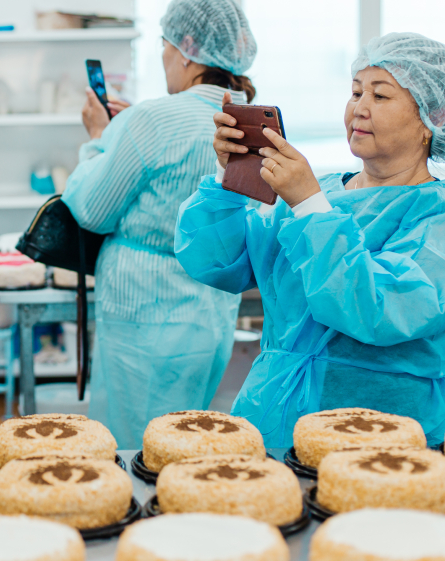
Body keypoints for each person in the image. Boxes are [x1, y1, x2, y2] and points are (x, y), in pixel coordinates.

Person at [175, 32, 445, 447]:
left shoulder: (433, 216)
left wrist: (310, 207)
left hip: (377, 435)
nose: (359, 109)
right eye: (355, 92)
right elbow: (218, 263)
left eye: (381, 96)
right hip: (274, 422)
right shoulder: (318, 195)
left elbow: (377, 309)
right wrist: (228, 179)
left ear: (433, 118)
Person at [61, 0, 258, 448]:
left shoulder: (151, 119)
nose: (165, 57)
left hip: (145, 315)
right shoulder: (244, 118)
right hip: (209, 312)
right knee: (191, 435)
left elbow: (91, 209)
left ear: (187, 50)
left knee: (138, 448)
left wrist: (99, 137)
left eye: (165, 46)